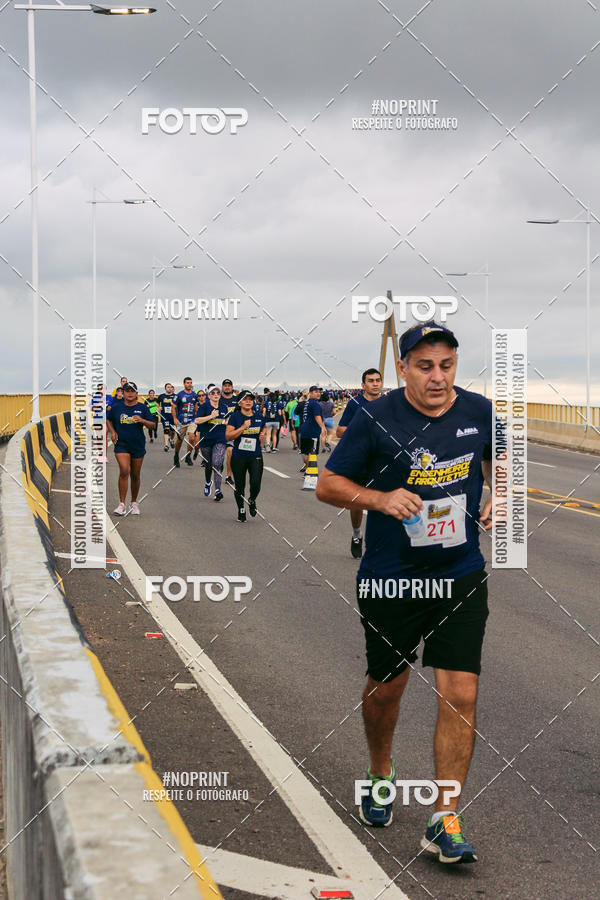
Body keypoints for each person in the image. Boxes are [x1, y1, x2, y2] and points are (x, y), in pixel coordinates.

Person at [316, 321, 494, 864]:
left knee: (460, 692)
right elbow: (328, 485)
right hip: (392, 576)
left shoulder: (479, 411)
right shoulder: (375, 416)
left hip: (460, 573)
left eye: (446, 365)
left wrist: (497, 496)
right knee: (387, 688)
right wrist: (379, 499)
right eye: (424, 366)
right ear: (402, 367)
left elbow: (497, 462)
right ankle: (379, 772)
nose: (437, 377)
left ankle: (444, 819)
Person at [336, 368, 383, 558]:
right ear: (363, 385)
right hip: (359, 461)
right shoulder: (355, 404)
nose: (375, 383)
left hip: (382, 462)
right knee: (356, 503)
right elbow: (339, 431)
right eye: (370, 381)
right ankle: (357, 534)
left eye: (378, 380)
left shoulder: (389, 404)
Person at [106, 381, 156, 515]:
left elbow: (153, 425)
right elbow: (108, 419)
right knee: (124, 470)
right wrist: (113, 432)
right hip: (122, 444)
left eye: (132, 391)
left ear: (136, 393)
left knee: (135, 474)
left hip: (137, 444)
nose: (129, 393)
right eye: (127, 391)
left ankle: (133, 502)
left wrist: (142, 420)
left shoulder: (142, 408)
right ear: (123, 393)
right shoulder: (117, 407)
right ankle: (121, 504)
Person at [225, 391, 267, 523]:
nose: (248, 401)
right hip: (239, 457)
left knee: (255, 484)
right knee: (240, 486)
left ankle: (251, 500)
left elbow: (264, 427)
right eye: (245, 399)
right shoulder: (235, 417)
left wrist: (263, 435)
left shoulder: (259, 416)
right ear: (240, 402)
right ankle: (241, 509)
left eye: (250, 399)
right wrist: (243, 427)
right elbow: (228, 436)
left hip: (255, 456)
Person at [194, 384, 229, 500]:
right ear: (209, 395)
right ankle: (208, 482)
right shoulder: (204, 407)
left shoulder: (224, 407)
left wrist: (227, 422)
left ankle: (218, 490)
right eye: (213, 393)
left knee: (217, 463)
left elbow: (227, 420)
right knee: (209, 464)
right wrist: (211, 416)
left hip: (220, 439)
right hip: (206, 439)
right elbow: (197, 420)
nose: (215, 395)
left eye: (218, 393)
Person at [299, 386, 327, 472]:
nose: (318, 394)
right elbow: (317, 416)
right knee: (312, 453)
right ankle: (311, 472)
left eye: (319, 392)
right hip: (312, 432)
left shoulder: (307, 403)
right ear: (310, 393)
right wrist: (323, 427)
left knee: (306, 453)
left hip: (304, 430)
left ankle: (307, 471)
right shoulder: (315, 404)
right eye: (316, 392)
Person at [173, 377, 198, 468]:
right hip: (181, 421)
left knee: (192, 438)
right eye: (187, 383)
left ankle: (188, 456)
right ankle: (176, 455)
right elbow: (173, 407)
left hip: (191, 420)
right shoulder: (179, 395)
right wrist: (175, 419)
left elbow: (196, 407)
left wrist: (197, 417)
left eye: (191, 383)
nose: (189, 384)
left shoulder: (194, 395)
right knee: (179, 440)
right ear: (184, 384)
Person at [221, 378, 238, 485]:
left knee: (230, 452)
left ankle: (228, 475)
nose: (227, 387)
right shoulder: (218, 399)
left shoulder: (237, 400)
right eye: (225, 385)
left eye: (229, 385)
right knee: (218, 458)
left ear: (232, 387)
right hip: (219, 430)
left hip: (232, 431)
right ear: (222, 387)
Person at [157, 383, 176, 452]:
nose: (169, 388)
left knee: (173, 431)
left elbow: (179, 404)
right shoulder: (161, 396)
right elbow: (157, 402)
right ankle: (166, 445)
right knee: (166, 430)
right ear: (165, 388)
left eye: (170, 387)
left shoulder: (175, 396)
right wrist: (159, 407)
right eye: (168, 387)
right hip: (165, 416)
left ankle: (171, 439)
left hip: (173, 416)